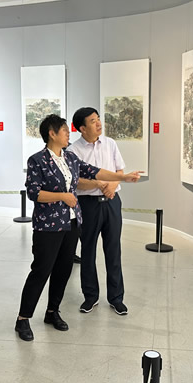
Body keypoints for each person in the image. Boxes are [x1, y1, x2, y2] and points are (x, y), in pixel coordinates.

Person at [15, 114, 141, 342]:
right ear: (52, 133)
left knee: (63, 270)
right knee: (41, 271)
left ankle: (52, 311)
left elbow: (95, 171)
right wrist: (62, 196)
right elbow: (34, 193)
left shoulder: (70, 158)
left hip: (71, 223)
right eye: (64, 130)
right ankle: (23, 318)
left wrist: (123, 177)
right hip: (48, 226)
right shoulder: (37, 160)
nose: (68, 134)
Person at [69, 107, 129, 315]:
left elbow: (119, 170)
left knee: (113, 250)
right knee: (88, 250)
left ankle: (116, 298)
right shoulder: (73, 151)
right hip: (88, 205)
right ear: (82, 128)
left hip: (112, 202)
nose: (99, 123)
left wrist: (111, 186)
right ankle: (90, 296)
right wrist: (98, 183)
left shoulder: (110, 143)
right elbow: (76, 181)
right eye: (93, 121)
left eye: (98, 119)